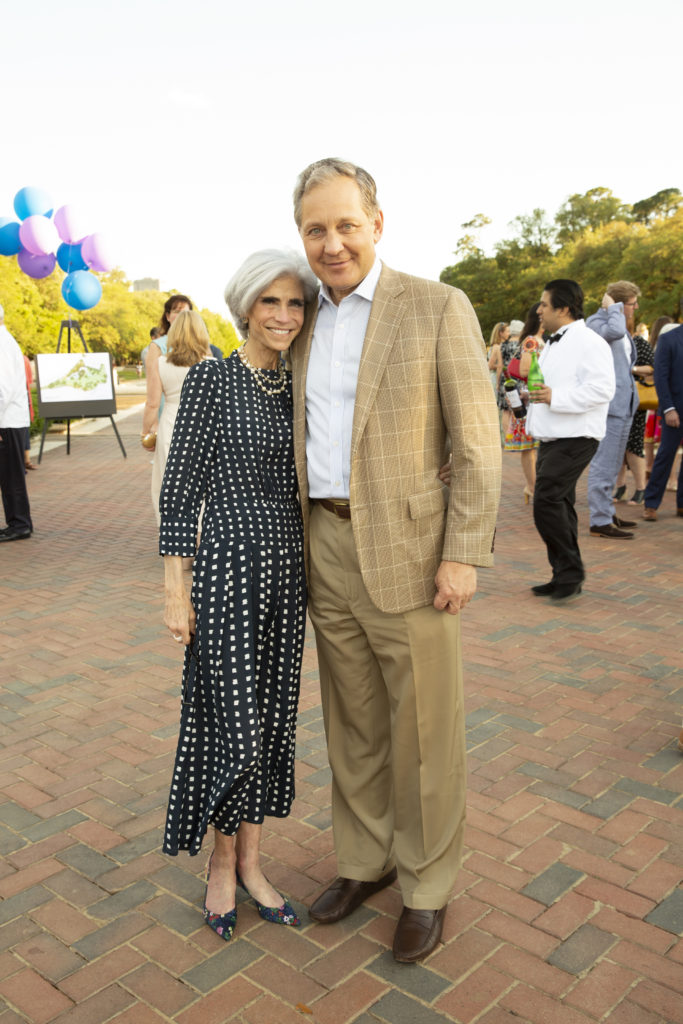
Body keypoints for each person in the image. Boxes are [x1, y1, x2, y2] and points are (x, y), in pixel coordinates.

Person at [289, 158, 501, 963]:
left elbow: (477, 444)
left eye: (345, 224)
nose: (332, 242)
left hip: (413, 555)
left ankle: (427, 886)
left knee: (425, 733)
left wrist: (462, 555)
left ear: (377, 222)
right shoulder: (301, 313)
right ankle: (364, 861)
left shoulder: (437, 306)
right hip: (325, 543)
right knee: (354, 726)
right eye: (315, 228)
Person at [160, 250, 318, 942]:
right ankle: (220, 866)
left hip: (289, 567)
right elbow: (179, 488)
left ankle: (254, 863)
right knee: (233, 720)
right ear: (245, 306)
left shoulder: (302, 386)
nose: (283, 317)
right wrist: (175, 586)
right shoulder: (212, 381)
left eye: (295, 304)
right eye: (271, 303)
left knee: (273, 719)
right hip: (226, 566)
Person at [526, 280, 615, 601]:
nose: (539, 310)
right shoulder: (553, 343)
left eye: (544, 305)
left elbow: (603, 389)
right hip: (553, 435)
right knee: (559, 503)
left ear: (563, 309)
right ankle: (563, 573)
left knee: (546, 501)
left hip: (577, 435)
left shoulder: (590, 342)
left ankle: (571, 571)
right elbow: (553, 386)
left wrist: (555, 396)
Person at [142, 310, 215, 526]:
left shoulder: (161, 364)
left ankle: (174, 538)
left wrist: (145, 432)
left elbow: (152, 403)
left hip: (171, 426)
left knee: (168, 486)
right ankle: (203, 541)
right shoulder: (212, 365)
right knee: (203, 489)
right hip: (204, 429)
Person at [585, 282, 641, 538]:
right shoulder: (597, 323)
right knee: (604, 462)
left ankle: (606, 511)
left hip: (625, 404)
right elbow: (615, 332)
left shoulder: (614, 322)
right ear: (618, 303)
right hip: (609, 405)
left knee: (615, 462)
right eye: (631, 303)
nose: (636, 307)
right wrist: (613, 309)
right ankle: (599, 520)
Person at [642, 323, 683, 521]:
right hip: (674, 409)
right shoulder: (668, 339)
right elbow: (660, 376)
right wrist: (668, 408)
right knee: (665, 455)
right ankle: (650, 503)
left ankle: (681, 504)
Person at [502, 305, 543, 502]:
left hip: (537, 397)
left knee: (536, 446)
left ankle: (534, 486)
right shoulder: (531, 341)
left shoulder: (540, 340)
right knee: (529, 446)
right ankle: (532, 486)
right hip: (527, 397)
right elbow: (526, 370)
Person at [0, 304, 33, 542]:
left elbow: (4, 388)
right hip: (8, 418)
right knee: (9, 475)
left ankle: (20, 523)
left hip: (6, 420)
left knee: (11, 476)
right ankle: (18, 522)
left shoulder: (2, 343)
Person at [612, 327, 655, 505]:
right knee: (618, 446)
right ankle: (620, 487)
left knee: (633, 445)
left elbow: (650, 368)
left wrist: (630, 368)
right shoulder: (609, 344)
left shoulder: (638, 343)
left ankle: (641, 489)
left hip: (634, 400)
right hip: (615, 400)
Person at [23, 355, 37, 470]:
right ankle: (26, 460)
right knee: (24, 429)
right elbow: (29, 381)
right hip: (24, 398)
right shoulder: (24, 359)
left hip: (18, 400)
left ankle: (25, 460)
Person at [487, 321, 508, 393]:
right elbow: (490, 365)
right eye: (507, 331)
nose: (509, 334)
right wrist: (502, 366)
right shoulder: (497, 347)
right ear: (501, 333)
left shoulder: (500, 346)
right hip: (495, 378)